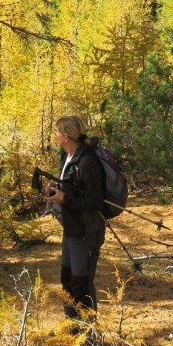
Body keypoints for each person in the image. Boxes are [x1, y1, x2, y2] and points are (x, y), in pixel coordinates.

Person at [46, 115, 105, 331]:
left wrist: (65, 199)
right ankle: (71, 327)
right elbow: (70, 186)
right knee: (67, 279)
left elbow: (95, 200)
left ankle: (88, 331)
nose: (56, 136)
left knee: (82, 282)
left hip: (86, 230)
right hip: (71, 228)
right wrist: (56, 190)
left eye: (58, 132)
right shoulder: (68, 156)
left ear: (66, 136)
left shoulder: (87, 161)